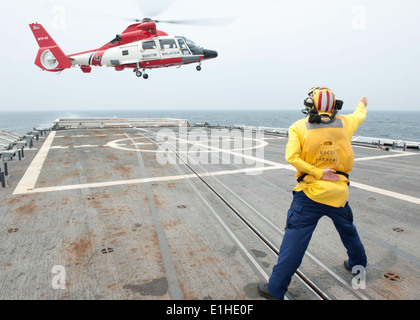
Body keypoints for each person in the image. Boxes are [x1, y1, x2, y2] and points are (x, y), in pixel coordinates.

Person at [258, 87, 368, 300]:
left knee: (294, 242)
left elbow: (292, 157)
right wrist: (362, 103)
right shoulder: (345, 123)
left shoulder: (299, 127)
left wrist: (318, 172)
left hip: (309, 195)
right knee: (348, 231)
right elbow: (359, 115)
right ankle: (358, 265)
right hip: (338, 194)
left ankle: (275, 289)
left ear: (311, 105)